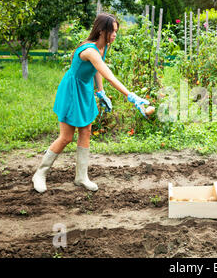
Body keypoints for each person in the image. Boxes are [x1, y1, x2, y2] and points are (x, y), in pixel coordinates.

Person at [32, 13, 150, 193]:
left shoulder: (103, 47)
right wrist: (131, 95)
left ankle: (81, 177)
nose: (115, 35)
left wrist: (100, 92)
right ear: (102, 31)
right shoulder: (89, 50)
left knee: (86, 131)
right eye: (113, 31)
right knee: (66, 137)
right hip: (72, 90)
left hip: (85, 89)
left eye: (116, 31)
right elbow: (109, 74)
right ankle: (40, 174)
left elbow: (98, 71)